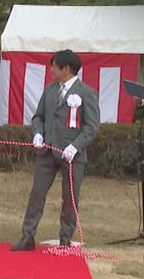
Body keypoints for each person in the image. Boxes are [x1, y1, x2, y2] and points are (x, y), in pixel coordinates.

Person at [12, 49, 100, 251]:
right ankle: (27, 236)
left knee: (69, 197)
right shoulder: (50, 90)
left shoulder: (86, 92)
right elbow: (39, 116)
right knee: (37, 194)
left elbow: (92, 126)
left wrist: (75, 146)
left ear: (66, 68)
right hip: (47, 151)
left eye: (54, 66)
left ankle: (65, 238)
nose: (51, 70)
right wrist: (37, 133)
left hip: (72, 154)